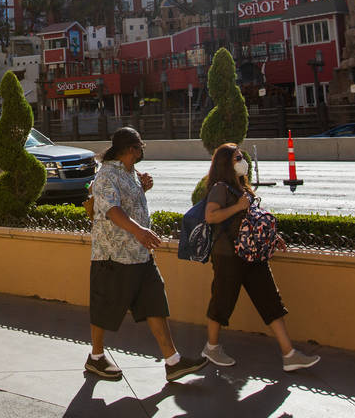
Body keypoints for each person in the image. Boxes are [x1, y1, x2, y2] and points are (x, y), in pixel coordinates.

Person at [85, 127, 207, 382]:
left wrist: (144, 188)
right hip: (113, 255)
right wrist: (140, 231)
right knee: (105, 307)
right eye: (140, 147)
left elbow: (128, 203)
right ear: (131, 149)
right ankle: (96, 357)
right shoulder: (107, 174)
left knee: (154, 302)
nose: (142, 152)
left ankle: (173, 361)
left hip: (140, 254)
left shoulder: (131, 173)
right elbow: (112, 210)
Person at [202, 142, 320, 372]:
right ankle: (211, 347)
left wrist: (271, 237)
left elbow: (252, 221)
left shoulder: (243, 188)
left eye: (241, 156)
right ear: (226, 164)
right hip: (229, 255)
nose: (242, 161)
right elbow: (210, 216)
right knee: (222, 301)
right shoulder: (220, 188)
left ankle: (289, 354)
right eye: (237, 158)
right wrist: (237, 207)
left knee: (270, 300)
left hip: (253, 253)